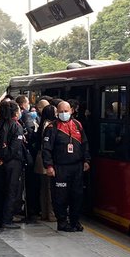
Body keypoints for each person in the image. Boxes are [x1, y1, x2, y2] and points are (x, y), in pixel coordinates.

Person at [40, 99, 90, 232]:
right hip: (60, 167)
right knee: (60, 196)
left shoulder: (78, 125)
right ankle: (62, 222)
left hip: (77, 167)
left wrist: (87, 160)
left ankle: (75, 221)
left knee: (77, 195)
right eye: (61, 111)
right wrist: (49, 166)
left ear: (71, 111)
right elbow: (46, 149)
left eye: (66, 111)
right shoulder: (52, 127)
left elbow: (85, 144)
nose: (63, 113)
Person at [0, 99, 28, 232]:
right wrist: (4, 159)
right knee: (11, 191)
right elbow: (14, 148)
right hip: (12, 164)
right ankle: (7, 220)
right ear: (15, 113)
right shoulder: (16, 127)